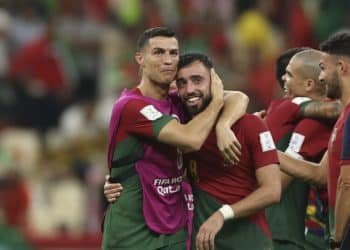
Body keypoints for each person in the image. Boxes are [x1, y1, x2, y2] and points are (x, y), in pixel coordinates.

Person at [105, 52, 282, 250]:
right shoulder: (183, 130)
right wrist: (117, 180)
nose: (190, 89)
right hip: (204, 242)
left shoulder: (250, 125)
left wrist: (223, 214)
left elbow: (272, 191)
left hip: (249, 242)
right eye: (182, 83)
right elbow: (153, 163)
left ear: (214, 82)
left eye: (197, 80)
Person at [278, 30, 350, 250]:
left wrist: (337, 239)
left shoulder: (340, 118)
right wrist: (265, 150)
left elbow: (346, 184)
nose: (321, 77)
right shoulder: (343, 117)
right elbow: (321, 174)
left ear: (341, 68)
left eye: (323, 68)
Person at [264, 49, 335, 250]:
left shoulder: (308, 121)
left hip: (289, 233)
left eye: (290, 74)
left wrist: (262, 152)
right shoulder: (304, 115)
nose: (284, 79)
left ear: (309, 84)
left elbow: (278, 183)